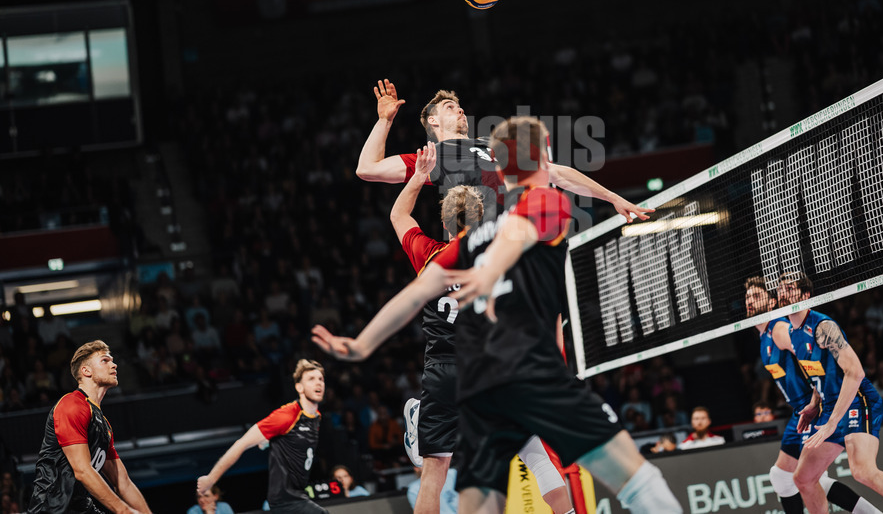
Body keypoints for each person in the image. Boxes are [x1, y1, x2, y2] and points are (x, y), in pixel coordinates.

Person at [314, 115, 682, 513]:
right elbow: (520, 232)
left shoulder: (461, 246)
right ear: (539, 162)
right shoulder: (542, 203)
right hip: (529, 372)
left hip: (485, 383)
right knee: (635, 478)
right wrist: (610, 199)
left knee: (482, 497)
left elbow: (416, 292)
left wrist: (362, 345)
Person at [390, 142, 573, 514]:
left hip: (443, 373)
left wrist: (420, 175)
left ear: (444, 224)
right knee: (534, 453)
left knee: (435, 471)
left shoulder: (429, 256)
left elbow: (399, 216)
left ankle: (420, 415)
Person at [355, 80, 652, 223]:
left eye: (459, 106)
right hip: (481, 256)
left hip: (522, 241)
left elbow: (555, 172)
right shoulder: (431, 158)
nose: (459, 109)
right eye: (449, 107)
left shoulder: (491, 145)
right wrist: (385, 120)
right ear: (433, 121)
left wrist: (612, 197)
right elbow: (367, 168)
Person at [781, 275, 883, 514]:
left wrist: (831, 422)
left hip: (857, 401)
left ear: (805, 295)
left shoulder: (822, 327)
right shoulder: (792, 333)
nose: (783, 293)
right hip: (830, 407)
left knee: (863, 471)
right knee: (803, 478)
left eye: (789, 288)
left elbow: (855, 372)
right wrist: (813, 403)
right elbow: (818, 373)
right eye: (780, 289)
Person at [745, 276, 882, 514]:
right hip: (799, 413)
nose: (749, 301)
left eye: (756, 296)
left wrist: (817, 397)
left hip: (814, 407)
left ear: (770, 301)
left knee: (804, 478)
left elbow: (807, 348)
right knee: (785, 476)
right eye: (747, 297)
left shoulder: (778, 330)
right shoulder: (762, 338)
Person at [27, 340, 152, 514]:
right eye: (105, 360)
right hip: (53, 509)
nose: (114, 364)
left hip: (80, 507)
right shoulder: (71, 405)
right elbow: (83, 471)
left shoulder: (103, 424)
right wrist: (125, 511)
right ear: (86, 371)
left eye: (112, 360)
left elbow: (123, 482)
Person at [197, 360, 326, 513]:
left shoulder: (316, 417)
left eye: (321, 379)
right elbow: (242, 443)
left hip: (298, 496)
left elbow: (290, 441)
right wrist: (211, 479)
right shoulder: (286, 416)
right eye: (311, 379)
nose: (318, 383)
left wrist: (269, 441)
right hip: (285, 501)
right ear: (299, 387)